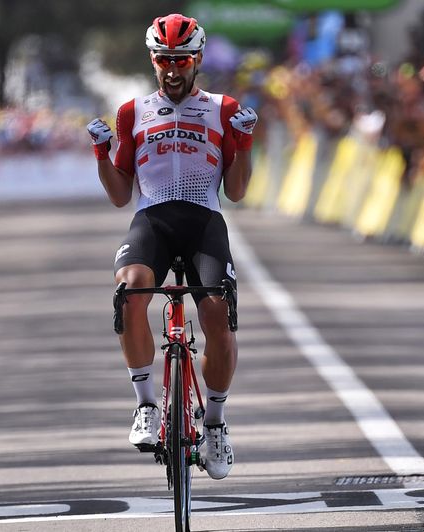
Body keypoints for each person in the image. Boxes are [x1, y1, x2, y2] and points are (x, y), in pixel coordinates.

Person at [85, 13, 257, 480]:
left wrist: (243, 146)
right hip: (153, 219)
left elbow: (237, 192)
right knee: (130, 289)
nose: (172, 69)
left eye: (181, 59)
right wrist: (102, 156)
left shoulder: (223, 108)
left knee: (219, 312)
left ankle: (216, 422)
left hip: (203, 220)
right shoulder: (131, 113)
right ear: (152, 60)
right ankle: (146, 405)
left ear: (197, 59)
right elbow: (121, 194)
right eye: (163, 60)